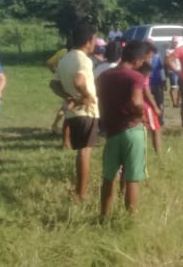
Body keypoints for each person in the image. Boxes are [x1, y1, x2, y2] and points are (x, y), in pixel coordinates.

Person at [97, 40, 149, 217]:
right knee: (132, 178)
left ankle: (103, 216)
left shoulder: (104, 76)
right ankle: (130, 219)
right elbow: (136, 101)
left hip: (112, 131)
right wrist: (140, 114)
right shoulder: (135, 77)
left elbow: (101, 102)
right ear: (137, 60)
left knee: (108, 177)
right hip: (132, 129)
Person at [52, 23, 99, 201]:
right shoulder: (83, 59)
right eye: (94, 39)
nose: (94, 43)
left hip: (72, 114)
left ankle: (79, 189)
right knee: (85, 152)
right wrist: (86, 95)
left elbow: (53, 83)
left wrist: (69, 96)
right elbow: (80, 81)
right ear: (88, 41)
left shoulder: (65, 58)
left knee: (80, 150)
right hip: (87, 112)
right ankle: (80, 193)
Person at [137, 56, 163, 156]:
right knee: (156, 129)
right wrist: (155, 107)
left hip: (138, 105)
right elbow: (147, 92)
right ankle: (158, 153)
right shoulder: (143, 77)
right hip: (146, 106)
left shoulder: (134, 75)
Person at [146, 41, 166, 126]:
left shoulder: (157, 57)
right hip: (147, 84)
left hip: (157, 82)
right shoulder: (143, 58)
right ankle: (150, 120)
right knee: (148, 102)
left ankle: (160, 119)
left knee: (160, 102)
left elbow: (161, 68)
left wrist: (163, 79)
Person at [165, 36, 182, 107]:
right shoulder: (168, 51)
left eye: (176, 42)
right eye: (174, 42)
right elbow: (167, 61)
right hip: (172, 71)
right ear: (172, 42)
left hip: (180, 70)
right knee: (174, 87)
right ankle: (174, 102)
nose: (175, 44)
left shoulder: (179, 50)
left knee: (181, 87)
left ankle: (178, 102)